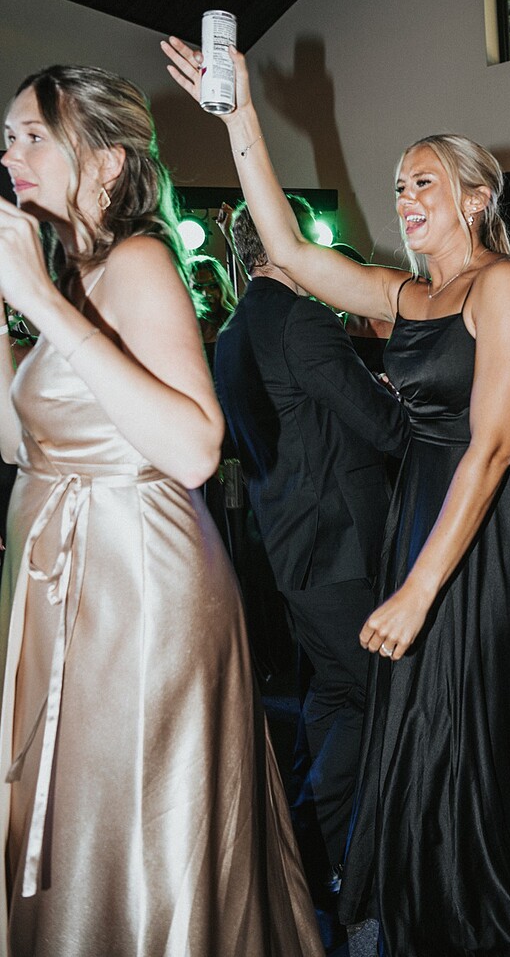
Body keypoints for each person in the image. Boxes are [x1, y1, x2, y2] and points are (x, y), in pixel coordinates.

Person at [162, 35, 510, 957]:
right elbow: (289, 249)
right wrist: (242, 118)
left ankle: (495, 870)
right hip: (417, 510)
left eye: (423, 182)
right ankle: (430, 870)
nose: (405, 198)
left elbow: (494, 447)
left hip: (479, 527)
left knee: (472, 704)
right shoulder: (409, 294)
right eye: (399, 185)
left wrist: (418, 588)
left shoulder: (503, 286)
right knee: (417, 711)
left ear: (475, 196)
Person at [0, 65, 323, 957]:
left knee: (137, 822)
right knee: (75, 814)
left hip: (139, 591)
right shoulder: (72, 275)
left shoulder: (137, 262)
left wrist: (39, 304)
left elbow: (193, 448)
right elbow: (17, 442)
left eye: (33, 135)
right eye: (9, 137)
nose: (11, 154)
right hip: (66, 586)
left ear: (106, 162)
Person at [214, 199, 409, 913]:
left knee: (331, 692)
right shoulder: (302, 320)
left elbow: (297, 422)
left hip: (287, 544)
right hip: (338, 546)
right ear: (283, 242)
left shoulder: (233, 330)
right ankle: (328, 859)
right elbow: (385, 427)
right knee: (370, 696)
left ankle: (314, 851)